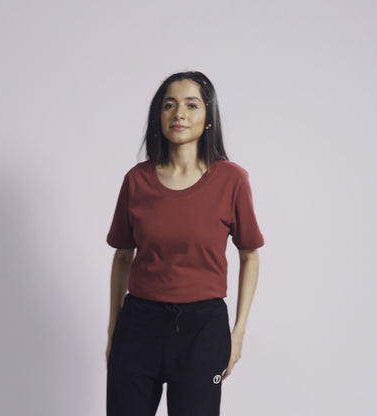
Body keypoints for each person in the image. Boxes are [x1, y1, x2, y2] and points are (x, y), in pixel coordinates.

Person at [105, 71, 265, 416]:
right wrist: (113, 329)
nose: (179, 113)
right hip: (138, 325)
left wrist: (237, 333)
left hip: (202, 329)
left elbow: (249, 256)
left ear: (208, 116)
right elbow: (123, 257)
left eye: (191, 105)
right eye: (169, 105)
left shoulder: (232, 180)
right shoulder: (136, 181)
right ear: (158, 115)